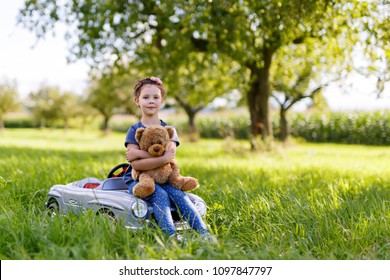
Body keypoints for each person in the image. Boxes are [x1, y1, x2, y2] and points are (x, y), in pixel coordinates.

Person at [123, 77, 213, 243]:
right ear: (137, 101)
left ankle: (203, 233)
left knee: (179, 195)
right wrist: (160, 157)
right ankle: (171, 236)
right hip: (139, 179)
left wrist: (142, 153)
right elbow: (136, 164)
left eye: (156, 97)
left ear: (161, 101)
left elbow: (169, 156)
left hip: (164, 177)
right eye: (146, 97)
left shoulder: (169, 130)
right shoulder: (134, 130)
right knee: (160, 194)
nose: (151, 101)